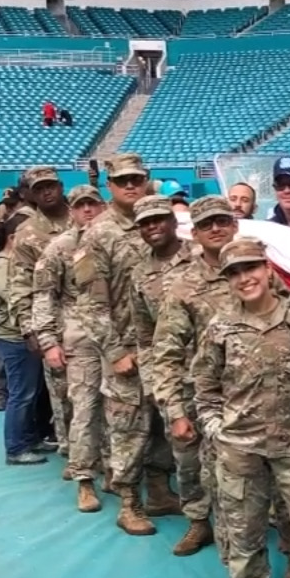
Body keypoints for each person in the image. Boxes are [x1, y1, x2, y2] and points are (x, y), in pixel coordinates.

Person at [192, 236, 290, 578]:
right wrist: (217, 430)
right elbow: (204, 387)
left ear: (267, 268)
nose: (245, 278)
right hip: (240, 452)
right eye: (234, 273)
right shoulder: (220, 328)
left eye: (251, 268)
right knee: (244, 541)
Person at [75, 153, 178, 537]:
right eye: (122, 181)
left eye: (137, 179)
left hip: (164, 348)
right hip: (126, 351)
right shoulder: (98, 234)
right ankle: (129, 504)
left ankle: (159, 492)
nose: (131, 186)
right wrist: (114, 352)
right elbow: (90, 303)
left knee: (163, 427)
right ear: (110, 186)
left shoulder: (162, 224)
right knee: (128, 430)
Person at [152, 195, 241, 559]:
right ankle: (199, 522)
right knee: (191, 465)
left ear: (234, 225)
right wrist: (174, 410)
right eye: (207, 225)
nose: (216, 229)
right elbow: (167, 351)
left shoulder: (261, 269)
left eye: (222, 221)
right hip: (199, 392)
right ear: (196, 232)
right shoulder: (182, 285)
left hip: (254, 392)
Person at [131, 195, 209, 552]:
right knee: (186, 454)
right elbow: (144, 335)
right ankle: (198, 520)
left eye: (158, 220)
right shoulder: (139, 273)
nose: (152, 228)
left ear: (171, 221)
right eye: (144, 224)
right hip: (177, 378)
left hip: (217, 372)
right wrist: (153, 380)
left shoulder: (202, 255)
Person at [31, 184, 108, 512]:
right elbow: (43, 295)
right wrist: (48, 341)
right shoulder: (59, 248)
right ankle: (84, 480)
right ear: (72, 211)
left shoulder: (117, 242)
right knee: (84, 411)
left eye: (93, 204)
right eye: (81, 206)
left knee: (121, 413)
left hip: (117, 341)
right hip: (79, 340)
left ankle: (115, 469)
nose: (88, 210)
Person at [10, 167, 73, 462]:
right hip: (54, 325)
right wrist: (29, 329)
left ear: (61, 187)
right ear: (31, 195)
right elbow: (19, 284)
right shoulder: (27, 233)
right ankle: (74, 457)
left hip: (96, 323)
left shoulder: (87, 216)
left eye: (51, 186)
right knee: (62, 397)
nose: (47, 192)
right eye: (39, 189)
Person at [0, 213, 48, 465]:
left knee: (30, 393)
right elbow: (13, 294)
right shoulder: (2, 264)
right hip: (13, 336)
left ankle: (29, 437)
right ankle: (15, 447)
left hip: (23, 335)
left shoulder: (17, 262)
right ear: (14, 238)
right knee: (21, 394)